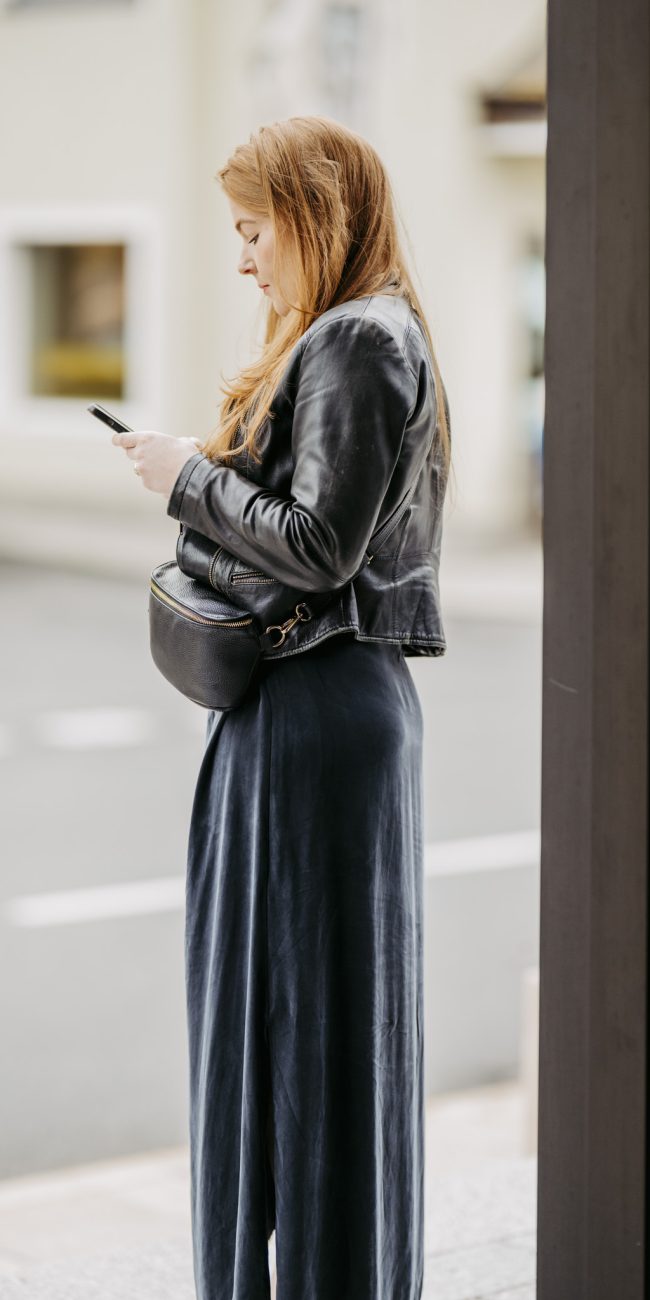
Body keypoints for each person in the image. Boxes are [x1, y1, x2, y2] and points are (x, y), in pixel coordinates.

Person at [111, 115, 452, 1300]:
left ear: (315, 219)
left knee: (305, 1032)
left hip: (316, 716)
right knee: (306, 1027)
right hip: (306, 714)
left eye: (256, 231)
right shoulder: (353, 333)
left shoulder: (360, 340)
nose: (246, 258)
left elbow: (318, 546)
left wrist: (186, 481)